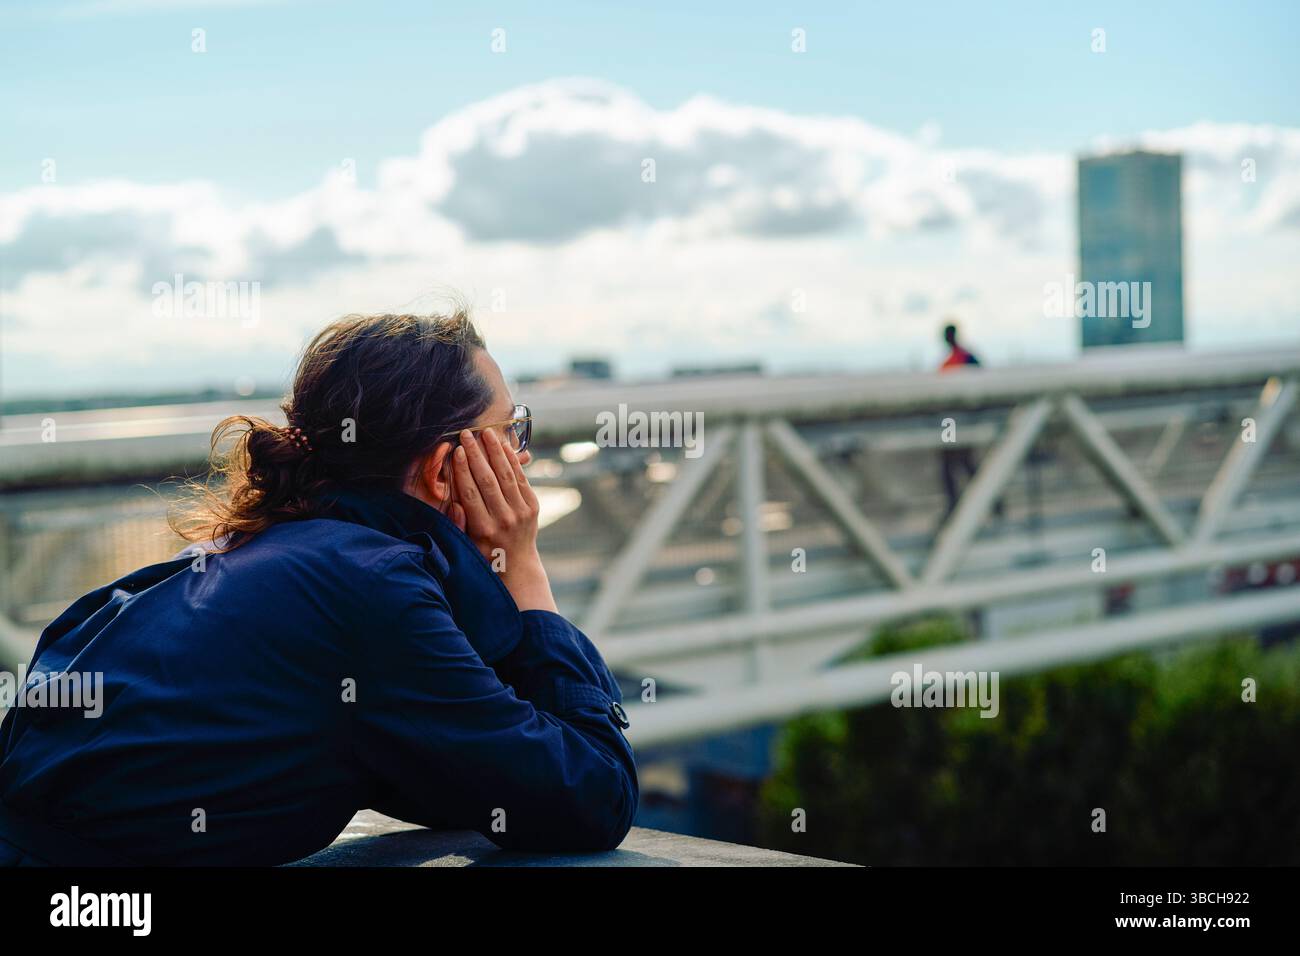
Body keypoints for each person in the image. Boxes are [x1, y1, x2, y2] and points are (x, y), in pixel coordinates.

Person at [0, 311, 638, 866]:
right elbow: (594, 796)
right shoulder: (371, 586)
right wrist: (523, 570)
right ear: (447, 468)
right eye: (510, 431)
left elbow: (456, 773)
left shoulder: (260, 553)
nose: (521, 457)